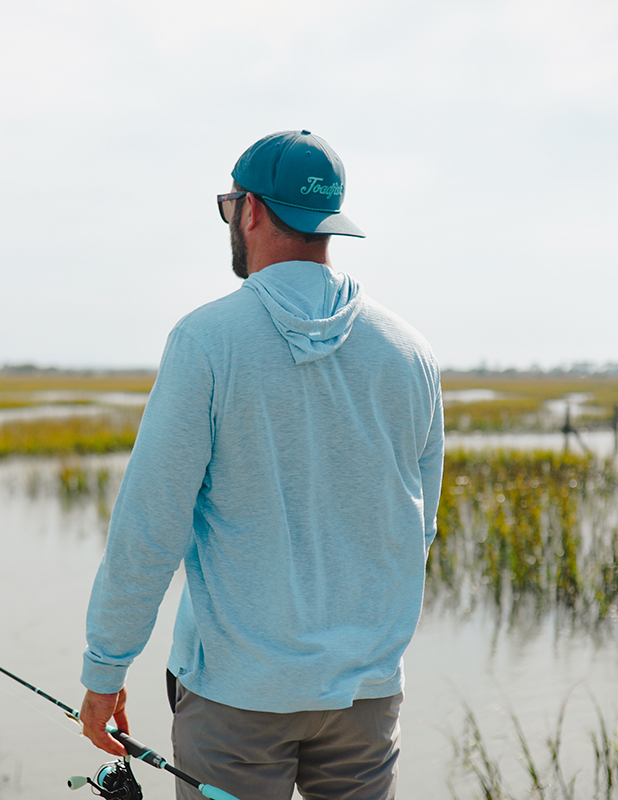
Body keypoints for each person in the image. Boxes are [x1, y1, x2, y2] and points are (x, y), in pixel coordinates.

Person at [79, 130, 445, 800]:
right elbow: (416, 524)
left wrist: (105, 670)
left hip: (234, 699)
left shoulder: (205, 341)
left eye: (228, 207)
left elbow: (150, 529)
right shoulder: (410, 351)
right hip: (367, 695)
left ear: (249, 210)